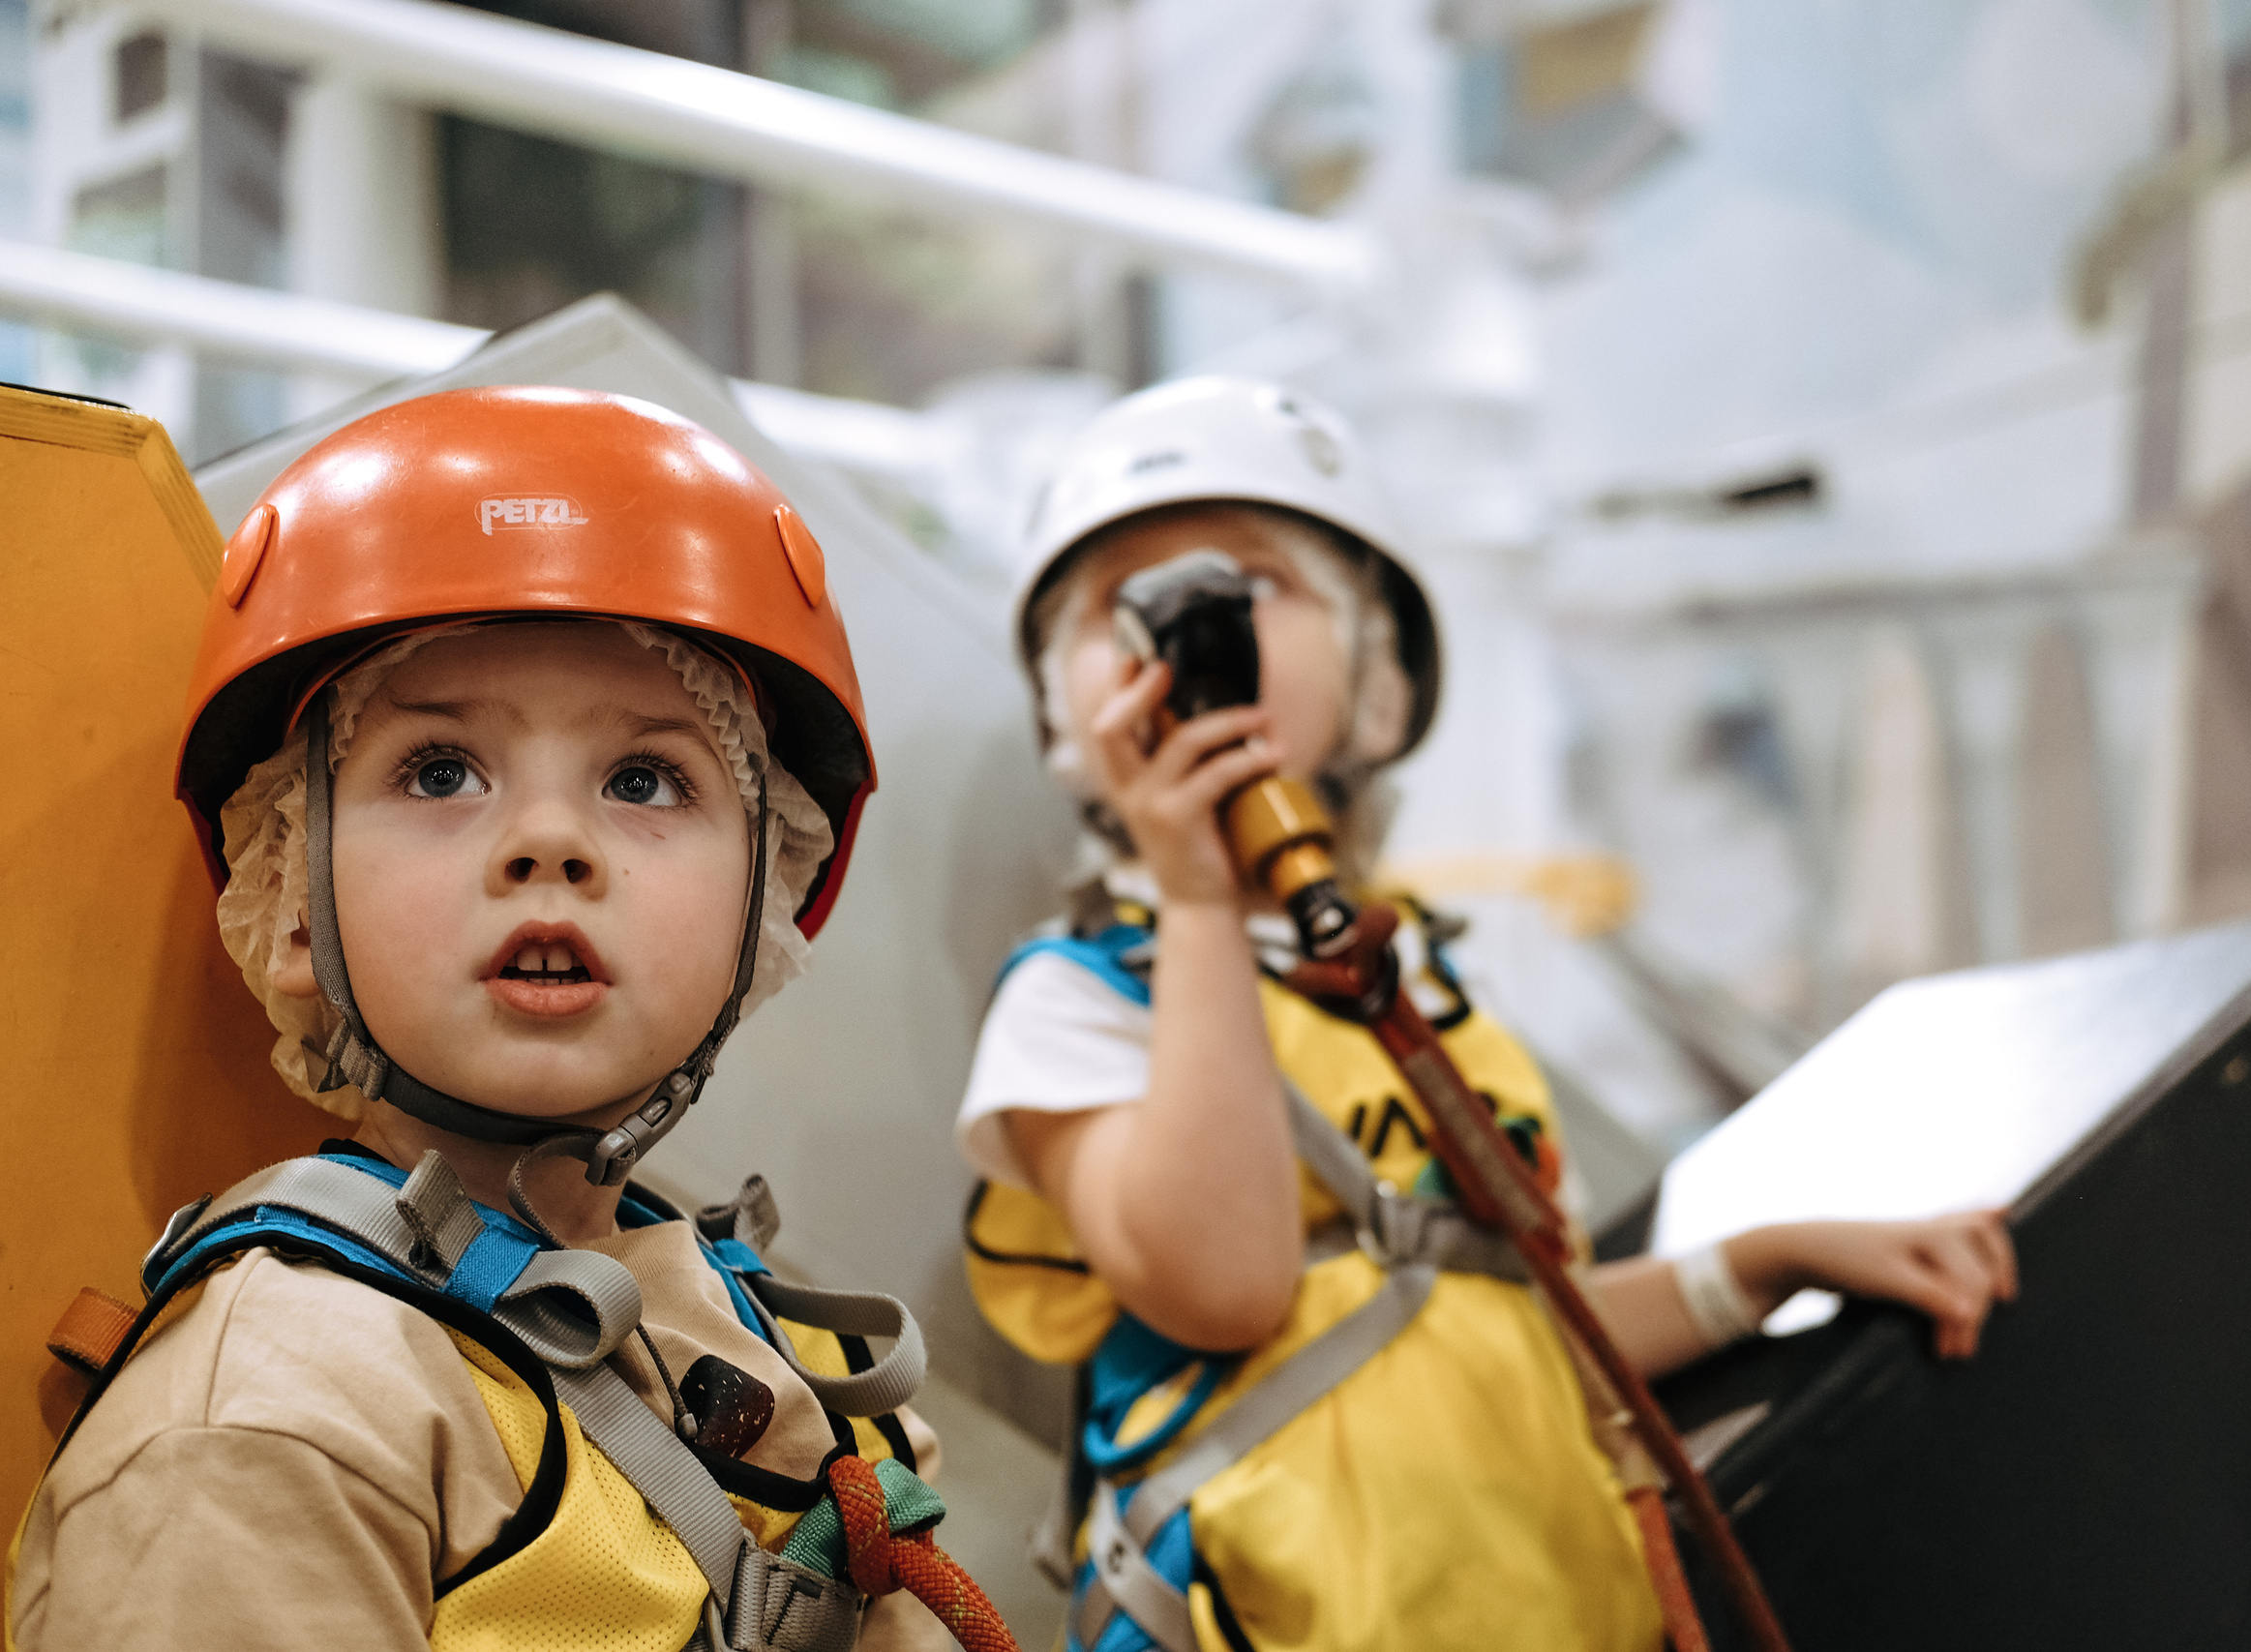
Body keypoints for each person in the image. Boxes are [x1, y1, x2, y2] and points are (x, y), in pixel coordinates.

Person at [957, 377, 2019, 1652]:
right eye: (1118, 603)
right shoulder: (1077, 1001)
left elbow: (1506, 1320)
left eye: (1251, 581)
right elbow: (1226, 1287)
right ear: (1065, 717)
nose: (1185, 629)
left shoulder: (1415, 984)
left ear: (1375, 677)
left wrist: (1760, 1265)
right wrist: (1193, 893)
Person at [8, 387, 1006, 1652]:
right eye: (441, 772)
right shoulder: (273, 1418)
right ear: (293, 898)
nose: (549, 843)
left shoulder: (764, 1337)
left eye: (644, 779)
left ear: (761, 906)